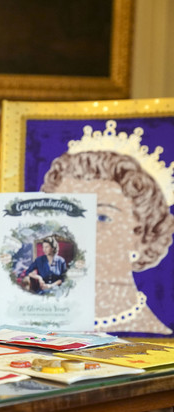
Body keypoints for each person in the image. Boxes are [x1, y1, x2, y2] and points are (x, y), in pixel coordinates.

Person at [42, 141, 174, 334]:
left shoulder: (155, 337)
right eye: (66, 215)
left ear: (140, 233)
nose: (77, 234)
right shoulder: (32, 323)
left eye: (101, 217)